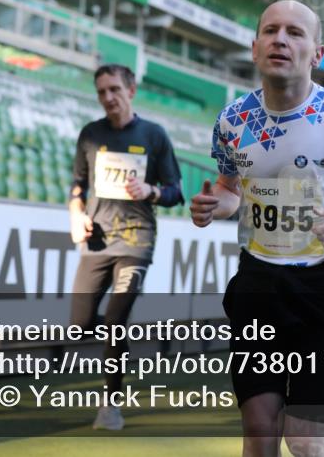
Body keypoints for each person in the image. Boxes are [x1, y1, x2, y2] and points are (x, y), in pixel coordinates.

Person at [190, 0, 324, 457]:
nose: (281, 40)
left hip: (323, 281)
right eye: (271, 31)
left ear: (317, 53)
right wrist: (218, 205)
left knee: (306, 442)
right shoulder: (233, 121)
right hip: (258, 279)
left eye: (295, 32)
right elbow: (233, 190)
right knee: (258, 424)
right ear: (254, 48)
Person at [68, 64, 184, 430]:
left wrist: (151, 191)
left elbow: (175, 192)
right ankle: (122, 337)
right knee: (80, 324)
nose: (108, 98)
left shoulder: (154, 135)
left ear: (131, 91)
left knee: (116, 321)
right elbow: (77, 186)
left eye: (115, 90)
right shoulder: (90, 135)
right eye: (102, 92)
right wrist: (75, 212)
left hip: (136, 240)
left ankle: (110, 405)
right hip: (98, 241)